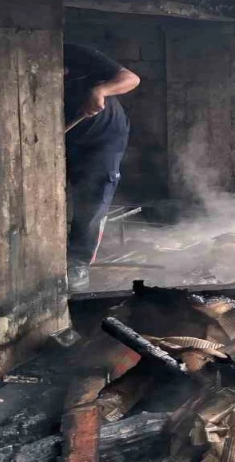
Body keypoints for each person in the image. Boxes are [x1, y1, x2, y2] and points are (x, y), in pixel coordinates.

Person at [64, 43, 139, 291]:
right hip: (63, 138)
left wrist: (101, 90)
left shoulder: (75, 52)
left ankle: (77, 262)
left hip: (103, 138)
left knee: (93, 196)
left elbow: (130, 78)